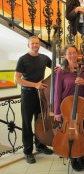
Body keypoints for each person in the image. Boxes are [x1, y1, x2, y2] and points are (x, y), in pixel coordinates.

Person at [15, 36, 53, 164]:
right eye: (33, 43)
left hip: (41, 94)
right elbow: (18, 79)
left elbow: (55, 70)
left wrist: (44, 82)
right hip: (28, 95)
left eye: (37, 43)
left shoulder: (44, 58)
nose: (35, 45)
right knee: (27, 123)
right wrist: (35, 84)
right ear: (28, 45)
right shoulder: (22, 59)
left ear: (39, 45)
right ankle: (27, 151)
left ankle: (40, 145)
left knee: (40, 120)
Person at [54, 45, 84, 172]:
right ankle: (73, 158)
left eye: (74, 53)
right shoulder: (61, 71)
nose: (72, 55)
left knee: (82, 132)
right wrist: (57, 111)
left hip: (81, 108)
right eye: (69, 53)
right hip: (67, 108)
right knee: (69, 133)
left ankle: (81, 156)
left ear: (77, 54)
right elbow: (57, 92)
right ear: (65, 56)